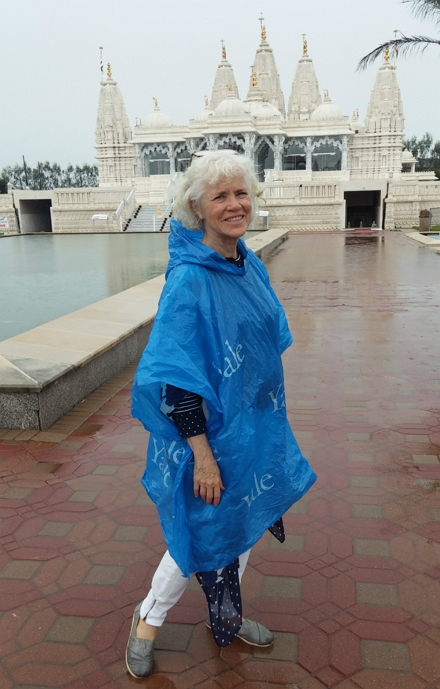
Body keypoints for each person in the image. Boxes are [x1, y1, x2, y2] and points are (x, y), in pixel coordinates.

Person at [126, 150, 317, 678]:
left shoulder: (246, 262)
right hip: (204, 440)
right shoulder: (189, 281)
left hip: (251, 429)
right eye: (220, 196)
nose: (234, 205)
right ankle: (146, 621)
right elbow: (175, 378)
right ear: (197, 207)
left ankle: (225, 618)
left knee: (242, 524)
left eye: (241, 193)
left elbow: (260, 346)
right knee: (195, 536)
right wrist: (203, 457)